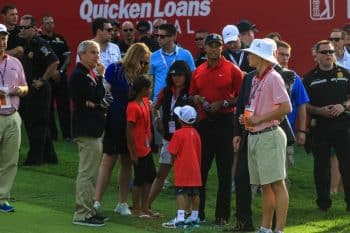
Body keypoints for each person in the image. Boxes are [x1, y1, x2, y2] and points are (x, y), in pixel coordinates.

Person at [190, 33, 243, 225]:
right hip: (204, 123)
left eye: (217, 45)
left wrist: (224, 102)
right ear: (204, 48)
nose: (214, 48)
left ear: (222, 47)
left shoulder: (232, 69)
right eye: (210, 45)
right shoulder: (199, 70)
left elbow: (242, 97)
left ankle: (222, 215)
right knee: (201, 170)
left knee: (224, 171)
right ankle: (199, 213)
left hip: (225, 122)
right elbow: (192, 94)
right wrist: (197, 99)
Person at [93, 43, 151, 216]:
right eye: (142, 60)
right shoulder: (115, 69)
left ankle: (122, 203)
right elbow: (106, 92)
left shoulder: (141, 75)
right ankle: (96, 201)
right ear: (135, 56)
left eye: (146, 62)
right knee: (108, 161)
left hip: (133, 124)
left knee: (127, 161)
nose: (143, 64)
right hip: (115, 120)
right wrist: (104, 112)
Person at [240, 38, 291, 233]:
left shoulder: (273, 77)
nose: (248, 56)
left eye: (251, 53)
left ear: (260, 57)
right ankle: (265, 227)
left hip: (269, 134)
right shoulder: (255, 78)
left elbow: (286, 108)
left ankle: (278, 229)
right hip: (256, 135)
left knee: (277, 183)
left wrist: (259, 119)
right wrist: (249, 120)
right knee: (265, 185)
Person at [303, 40, 350, 212]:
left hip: (342, 126)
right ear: (316, 55)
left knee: (347, 164)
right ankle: (323, 203)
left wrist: (343, 106)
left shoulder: (345, 73)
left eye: (330, 51)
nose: (328, 55)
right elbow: (303, 104)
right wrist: (318, 110)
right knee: (321, 167)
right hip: (320, 127)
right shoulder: (309, 78)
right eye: (324, 52)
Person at [145, 61, 193, 215]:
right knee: (161, 174)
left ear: (186, 76)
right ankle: (146, 205)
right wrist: (158, 120)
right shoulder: (166, 91)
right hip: (168, 137)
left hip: (185, 140)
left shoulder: (191, 91)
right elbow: (155, 107)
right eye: (173, 75)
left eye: (180, 75)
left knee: (186, 176)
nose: (177, 78)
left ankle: (188, 210)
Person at [70, 40, 107, 227]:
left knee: (91, 173)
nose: (96, 56)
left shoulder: (88, 73)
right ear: (82, 54)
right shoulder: (79, 75)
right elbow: (98, 97)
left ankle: (89, 210)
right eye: (93, 52)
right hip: (86, 130)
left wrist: (96, 103)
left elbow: (99, 101)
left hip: (94, 130)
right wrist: (101, 78)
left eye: (98, 52)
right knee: (87, 173)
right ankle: (82, 214)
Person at [18, 15, 59, 165]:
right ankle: (50, 157)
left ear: (34, 29)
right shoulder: (26, 43)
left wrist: (42, 80)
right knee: (36, 123)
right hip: (29, 88)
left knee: (36, 124)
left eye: (25, 27)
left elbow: (54, 61)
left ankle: (35, 158)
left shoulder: (40, 43)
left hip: (38, 89)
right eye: (20, 27)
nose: (21, 30)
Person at [0, 24, 28, 213]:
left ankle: (2, 198)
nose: (1, 41)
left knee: (10, 160)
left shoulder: (15, 62)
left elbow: (26, 86)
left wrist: (21, 90)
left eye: (4, 38)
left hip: (13, 116)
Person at [162, 105, 202, 228]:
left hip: (182, 168)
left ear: (180, 119)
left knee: (180, 192)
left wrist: (174, 164)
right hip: (195, 169)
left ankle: (180, 218)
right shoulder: (196, 133)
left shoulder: (178, 134)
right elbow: (199, 152)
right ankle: (194, 217)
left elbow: (172, 152)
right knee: (194, 193)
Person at [126, 75, 156, 216]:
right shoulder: (132, 107)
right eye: (149, 88)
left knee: (150, 175)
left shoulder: (144, 101)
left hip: (147, 146)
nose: (151, 90)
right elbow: (129, 131)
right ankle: (136, 208)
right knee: (139, 178)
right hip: (138, 148)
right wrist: (132, 152)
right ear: (143, 89)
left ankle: (145, 207)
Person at [39, 15, 72, 141]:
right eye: (47, 23)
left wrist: (61, 71)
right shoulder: (40, 40)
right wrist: (51, 72)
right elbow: (40, 60)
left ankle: (67, 135)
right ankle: (52, 135)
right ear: (42, 25)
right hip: (47, 77)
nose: (50, 25)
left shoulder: (60, 39)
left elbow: (68, 58)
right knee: (49, 108)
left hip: (60, 77)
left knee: (64, 107)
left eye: (52, 22)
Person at [150, 23, 195, 102]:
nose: (158, 39)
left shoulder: (185, 54)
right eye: (157, 36)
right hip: (158, 101)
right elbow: (151, 82)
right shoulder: (153, 56)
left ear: (173, 36)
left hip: (181, 100)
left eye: (162, 36)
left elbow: (193, 78)